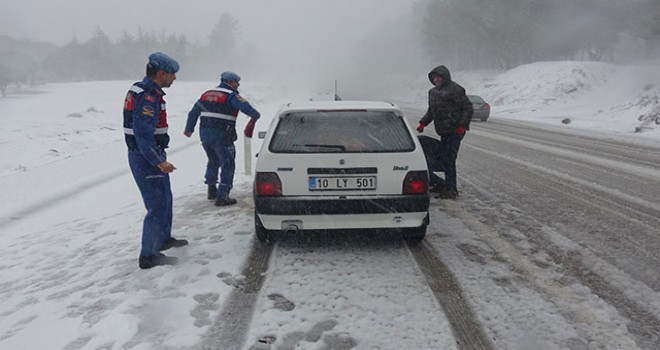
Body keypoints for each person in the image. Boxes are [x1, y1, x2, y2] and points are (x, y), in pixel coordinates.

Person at [123, 52, 188, 269]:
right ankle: (149, 255)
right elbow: (143, 133)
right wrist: (158, 161)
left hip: (152, 154)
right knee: (157, 206)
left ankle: (162, 239)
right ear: (161, 74)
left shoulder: (146, 91)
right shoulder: (147, 96)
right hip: (145, 157)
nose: (174, 79)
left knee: (165, 199)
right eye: (172, 75)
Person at [184, 71, 261, 206]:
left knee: (213, 161)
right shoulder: (231, 96)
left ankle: (211, 190)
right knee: (228, 164)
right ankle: (223, 196)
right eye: (237, 82)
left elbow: (193, 113)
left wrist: (189, 129)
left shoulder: (206, 94)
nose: (238, 85)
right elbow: (246, 108)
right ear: (230, 82)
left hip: (205, 135)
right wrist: (256, 115)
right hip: (222, 136)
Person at [416, 65, 473, 199]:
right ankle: (442, 184)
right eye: (434, 77)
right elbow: (431, 111)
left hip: (455, 131)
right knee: (441, 158)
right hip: (443, 131)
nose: (436, 79)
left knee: (449, 159)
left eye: (439, 77)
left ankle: (451, 189)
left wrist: (462, 126)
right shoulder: (433, 92)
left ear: (445, 76)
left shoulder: (456, 90)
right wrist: (423, 123)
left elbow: (467, 108)